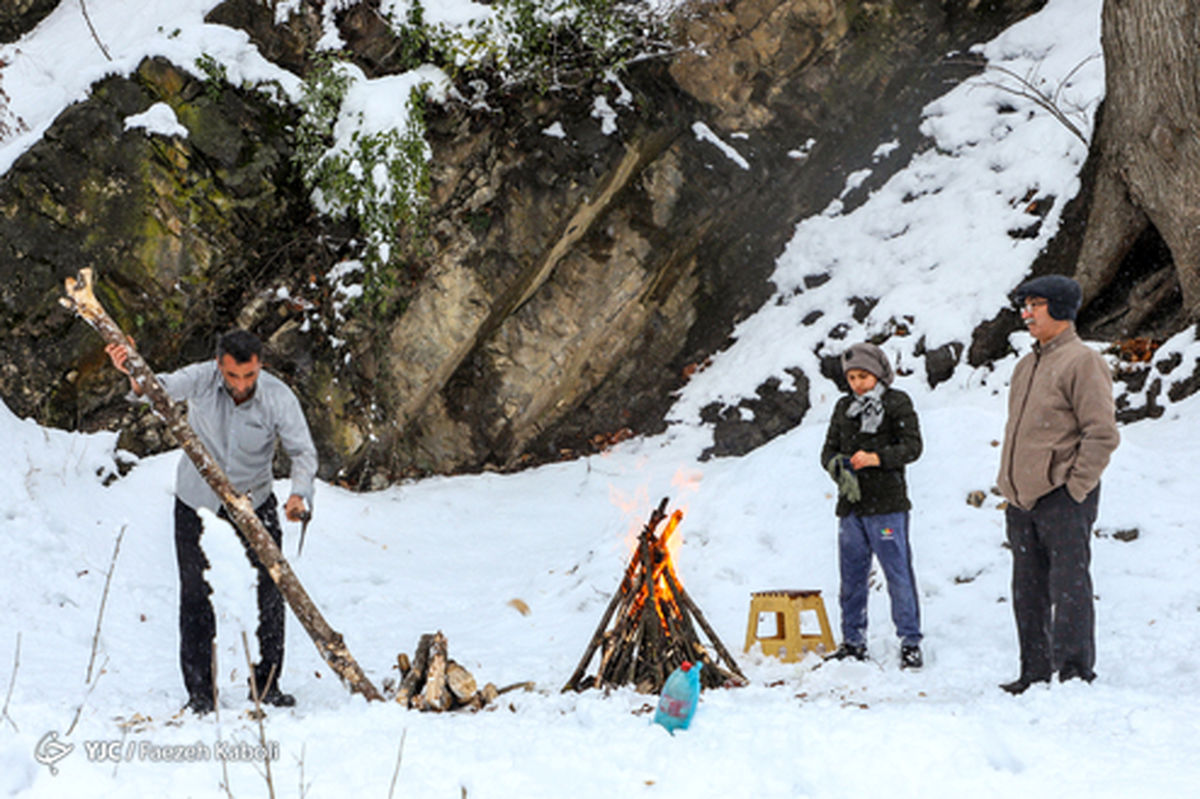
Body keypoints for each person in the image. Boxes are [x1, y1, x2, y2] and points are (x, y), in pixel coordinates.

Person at [106, 330, 317, 714]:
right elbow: (159, 389)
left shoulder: (278, 397)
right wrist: (134, 371)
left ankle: (267, 686)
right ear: (220, 366)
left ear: (260, 367)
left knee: (270, 592)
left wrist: (299, 493)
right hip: (197, 499)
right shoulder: (201, 378)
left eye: (249, 376)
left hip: (254, 500)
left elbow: (302, 451)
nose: (241, 385)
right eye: (233, 376)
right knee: (195, 596)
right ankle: (201, 695)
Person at [997, 275, 1119, 695]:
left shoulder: (1083, 361)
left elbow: (1101, 433)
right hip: (1021, 499)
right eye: (1024, 304)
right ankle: (1034, 672)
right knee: (1026, 591)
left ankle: (1073, 674)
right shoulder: (1025, 365)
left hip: (1063, 497)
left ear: (1062, 309)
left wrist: (1075, 488)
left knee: (1068, 586)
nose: (1026, 313)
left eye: (1036, 304)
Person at [820, 342, 925, 669]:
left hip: (887, 504)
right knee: (851, 576)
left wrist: (877, 458)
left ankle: (910, 640)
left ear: (878, 374)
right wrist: (838, 465)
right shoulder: (843, 408)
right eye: (851, 377)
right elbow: (827, 450)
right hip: (851, 505)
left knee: (897, 573)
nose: (857, 384)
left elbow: (912, 446)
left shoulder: (897, 403)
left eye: (863, 376)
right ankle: (853, 641)